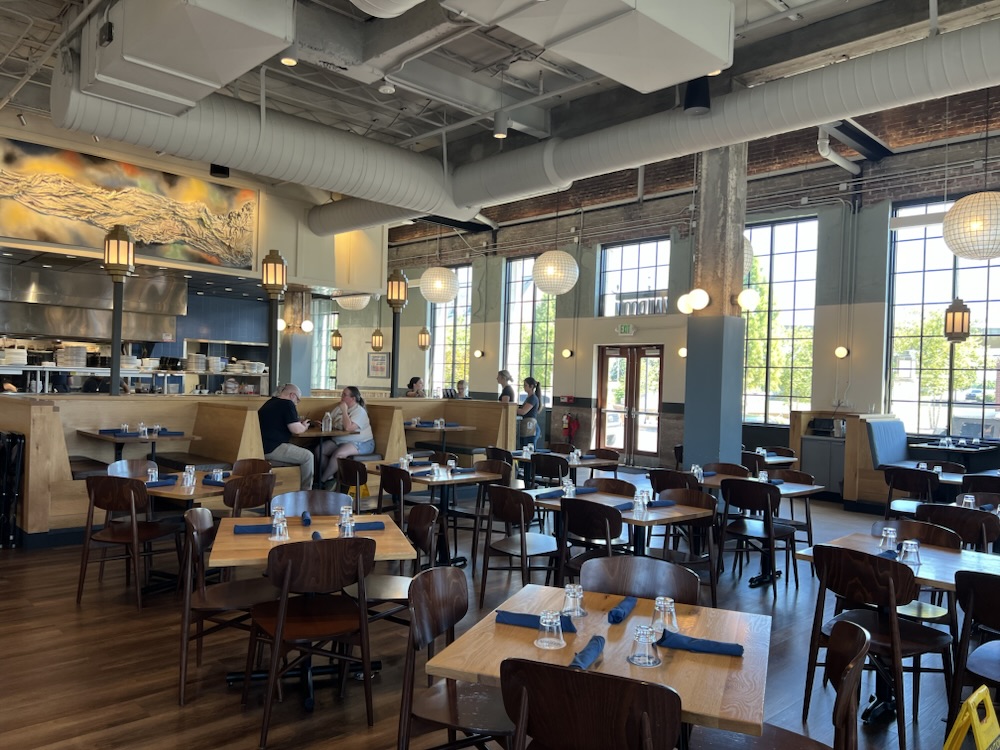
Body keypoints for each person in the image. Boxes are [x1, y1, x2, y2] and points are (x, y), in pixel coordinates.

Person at [258, 383, 314, 490]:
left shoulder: (269, 402)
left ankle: (288, 489)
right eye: (298, 400)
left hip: (261, 448)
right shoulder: (287, 404)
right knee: (308, 457)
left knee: (295, 460)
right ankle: (306, 491)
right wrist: (304, 426)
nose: (297, 403)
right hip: (274, 447)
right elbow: (296, 430)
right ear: (292, 395)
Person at [318, 386, 376, 489]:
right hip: (340, 440)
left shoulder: (359, 412)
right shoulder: (338, 408)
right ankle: (330, 479)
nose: (342, 397)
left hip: (362, 443)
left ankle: (321, 482)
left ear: (353, 398)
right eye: (342, 394)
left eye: (344, 395)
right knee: (319, 450)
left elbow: (349, 428)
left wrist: (344, 411)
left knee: (338, 454)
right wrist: (323, 425)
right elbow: (330, 420)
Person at [517, 377, 541, 448]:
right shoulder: (529, 398)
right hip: (527, 425)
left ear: (531, 386)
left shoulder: (532, 398)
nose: (524, 387)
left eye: (525, 385)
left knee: (529, 448)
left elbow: (523, 411)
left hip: (530, 426)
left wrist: (513, 409)